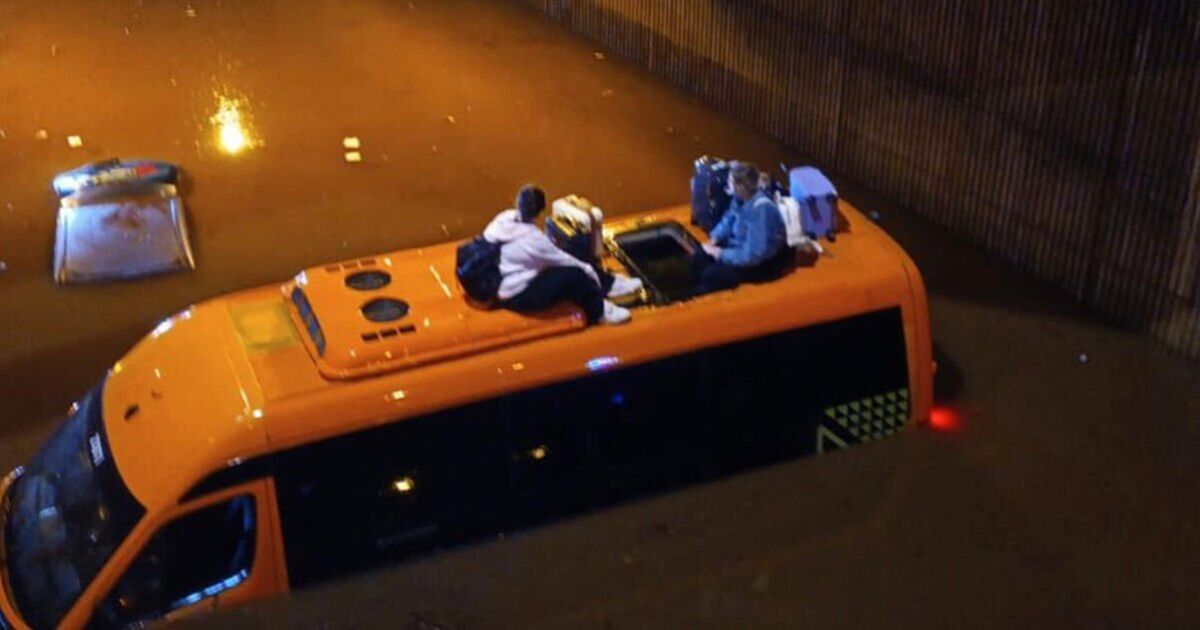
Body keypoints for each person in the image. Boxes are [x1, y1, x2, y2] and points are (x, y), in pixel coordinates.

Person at [484, 185, 642, 325]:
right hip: (517, 295)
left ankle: (608, 284)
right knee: (575, 276)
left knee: (560, 269)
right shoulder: (535, 239)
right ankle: (599, 310)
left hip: (501, 281)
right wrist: (590, 273)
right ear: (540, 210)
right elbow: (568, 262)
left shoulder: (503, 219)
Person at [691, 161, 789, 295]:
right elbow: (728, 220)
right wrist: (714, 238)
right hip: (737, 250)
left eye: (731, 182)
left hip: (758, 265)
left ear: (741, 186)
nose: (727, 185)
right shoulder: (739, 199)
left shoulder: (762, 210)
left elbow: (752, 255)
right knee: (699, 256)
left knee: (711, 275)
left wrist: (720, 253)